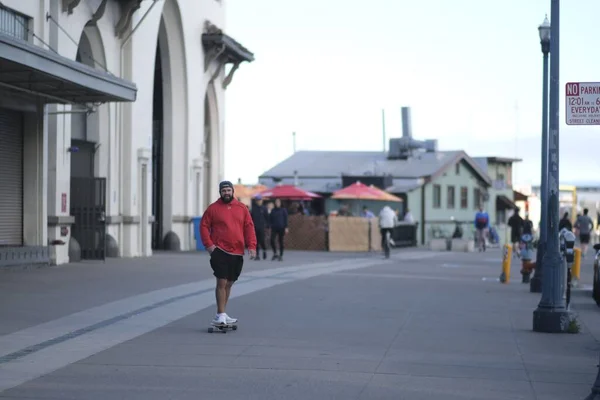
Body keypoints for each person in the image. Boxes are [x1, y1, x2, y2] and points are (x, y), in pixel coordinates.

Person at [200, 181, 257, 326]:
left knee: (230, 283)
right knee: (222, 281)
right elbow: (204, 226)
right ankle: (220, 315)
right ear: (220, 192)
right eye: (224, 190)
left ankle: (222, 313)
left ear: (233, 191)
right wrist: (209, 245)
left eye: (228, 190)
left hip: (237, 251)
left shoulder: (242, 208)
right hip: (220, 250)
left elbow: (249, 227)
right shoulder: (213, 209)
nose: (226, 193)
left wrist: (252, 246)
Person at [250, 194, 269, 260]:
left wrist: (267, 226)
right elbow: (251, 218)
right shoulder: (253, 209)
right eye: (257, 200)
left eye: (260, 200)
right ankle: (257, 255)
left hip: (262, 227)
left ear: (262, 201)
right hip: (255, 227)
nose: (259, 201)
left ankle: (264, 250)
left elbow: (267, 218)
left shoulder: (264, 208)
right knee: (256, 242)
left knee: (262, 240)